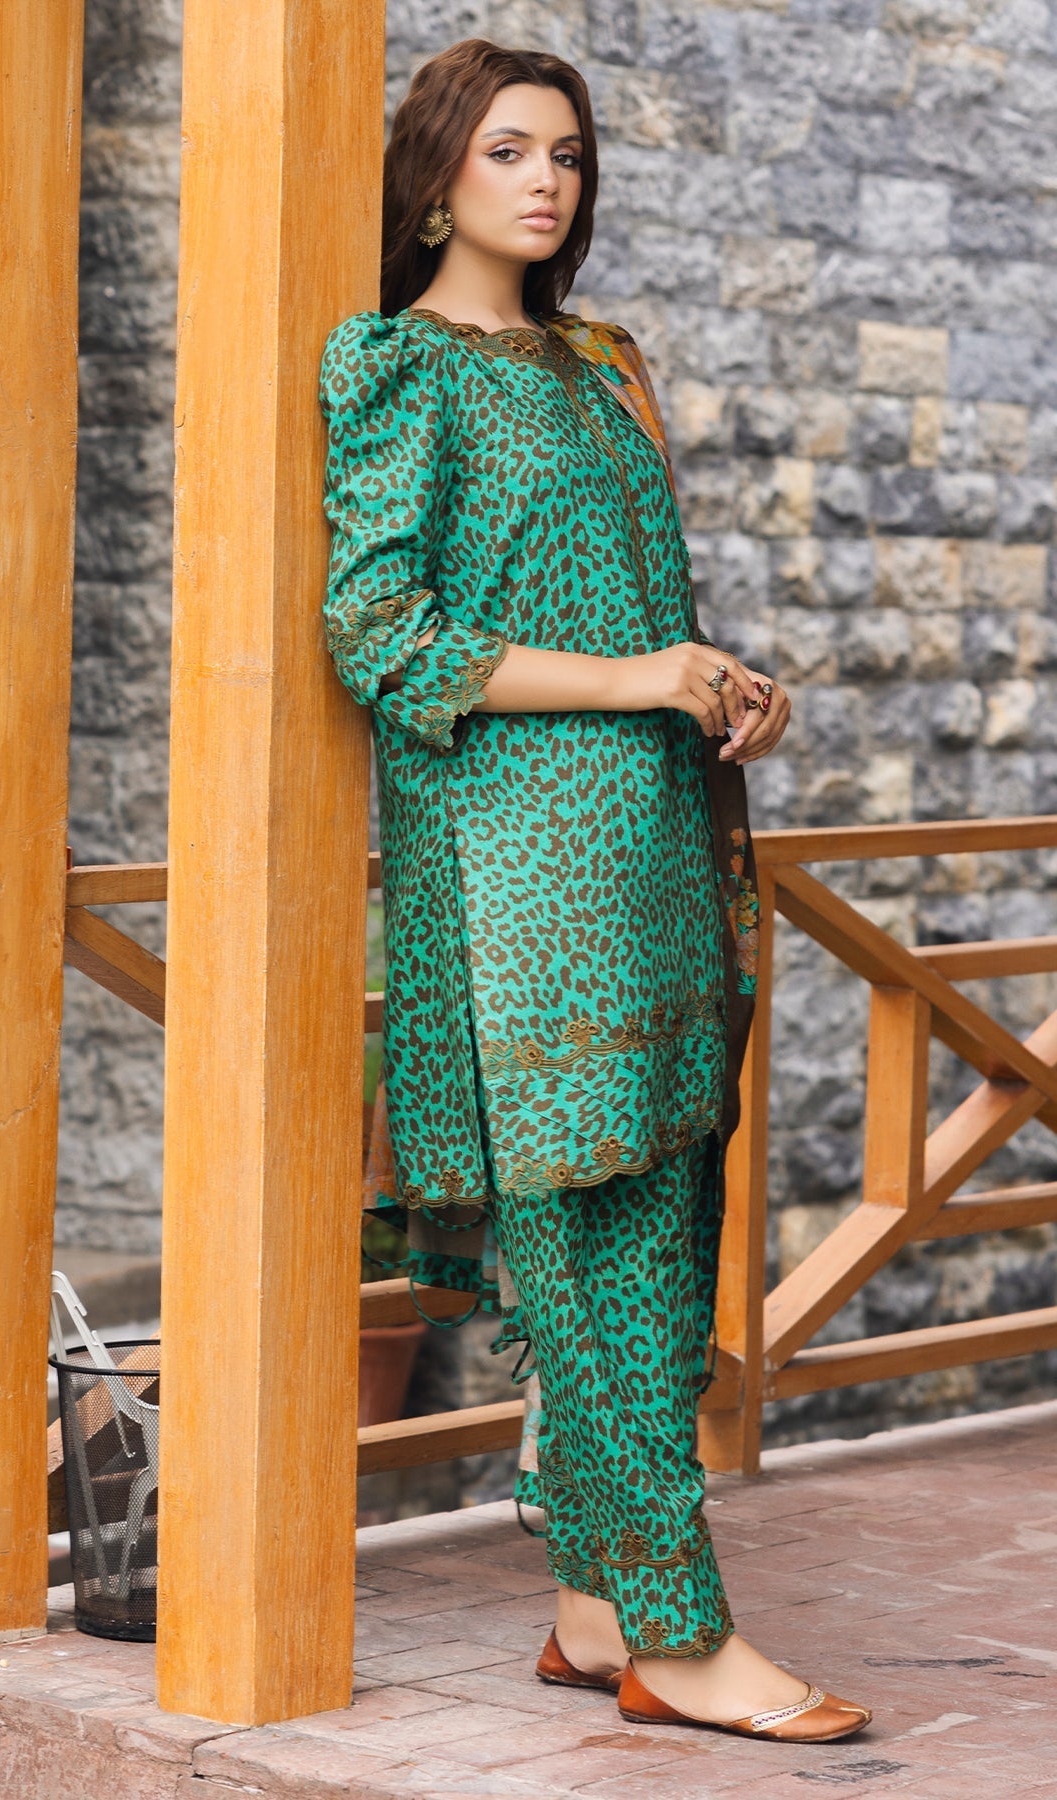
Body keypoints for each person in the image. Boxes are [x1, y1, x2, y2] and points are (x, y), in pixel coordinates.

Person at [319, 38, 871, 1744]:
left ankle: (587, 1604)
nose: (544, 180)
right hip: (514, 860)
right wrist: (638, 682)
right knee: (588, 1233)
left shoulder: (605, 361)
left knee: (666, 1217)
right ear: (435, 177)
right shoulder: (397, 366)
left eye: (565, 153)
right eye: (505, 150)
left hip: (657, 839)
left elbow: (641, 611)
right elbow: (380, 633)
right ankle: (678, 1637)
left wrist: (716, 687)